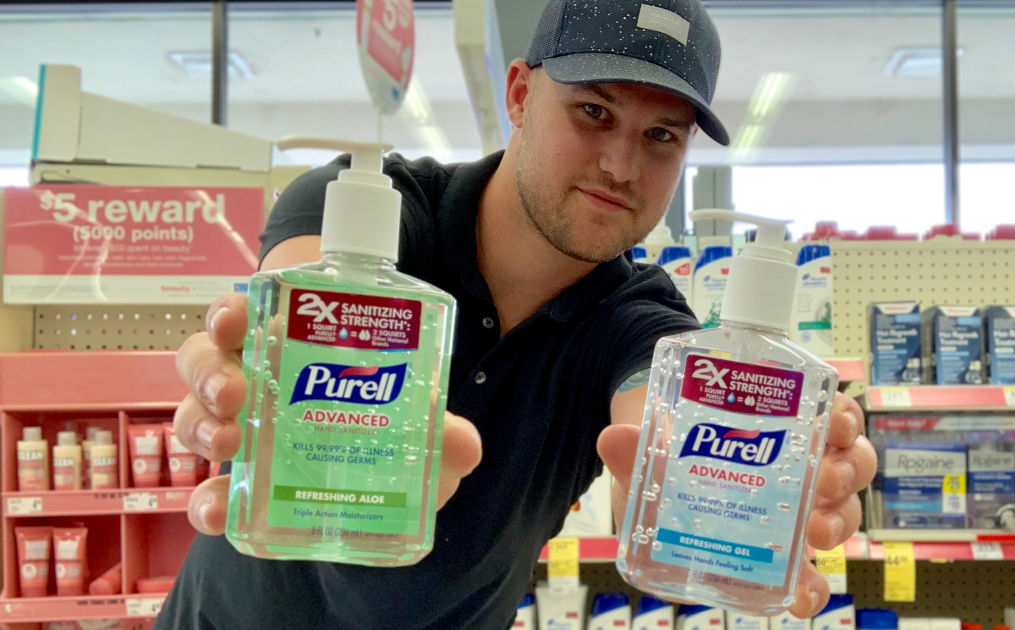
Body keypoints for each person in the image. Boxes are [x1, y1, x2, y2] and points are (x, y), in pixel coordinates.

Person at [158, 0, 877, 628]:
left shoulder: (641, 318)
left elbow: (658, 418)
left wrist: (715, 485)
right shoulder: (372, 205)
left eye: (661, 136)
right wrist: (253, 374)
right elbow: (294, 309)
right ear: (521, 92)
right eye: (594, 112)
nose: (622, 167)